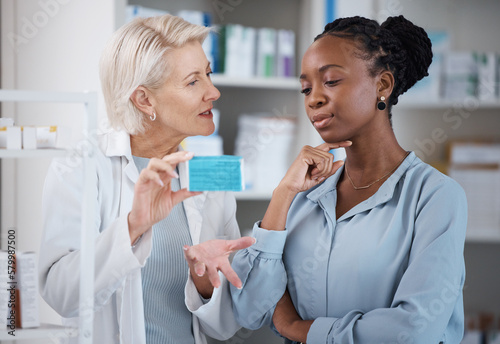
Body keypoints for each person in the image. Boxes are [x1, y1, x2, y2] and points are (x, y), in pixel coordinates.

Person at [229, 15, 467, 343]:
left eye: (331, 81)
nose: (313, 99)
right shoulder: (304, 196)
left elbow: (413, 330)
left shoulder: (435, 197)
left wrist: (299, 329)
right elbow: (248, 309)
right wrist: (283, 193)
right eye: (306, 88)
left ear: (382, 85)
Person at [38, 14, 254, 344]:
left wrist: (205, 283)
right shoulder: (81, 166)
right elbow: (62, 297)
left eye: (208, 74)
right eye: (193, 81)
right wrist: (133, 226)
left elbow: (227, 328)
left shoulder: (208, 176)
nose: (213, 91)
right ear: (144, 100)